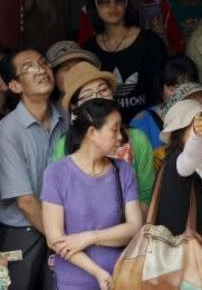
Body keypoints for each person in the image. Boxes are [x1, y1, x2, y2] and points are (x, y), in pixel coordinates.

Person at [42, 98, 143, 289]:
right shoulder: (56, 174)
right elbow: (55, 240)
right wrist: (98, 273)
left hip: (122, 278)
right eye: (114, 129)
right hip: (73, 283)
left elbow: (135, 227)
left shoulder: (124, 171)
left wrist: (89, 237)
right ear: (92, 133)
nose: (120, 136)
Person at [0, 47, 68, 289]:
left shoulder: (67, 119)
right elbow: (25, 202)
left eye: (43, 63)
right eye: (28, 67)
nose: (41, 70)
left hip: (61, 228)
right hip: (21, 231)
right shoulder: (7, 131)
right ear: (15, 86)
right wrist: (61, 240)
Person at [53, 61, 155, 212]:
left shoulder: (137, 139)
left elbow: (146, 195)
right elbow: (61, 202)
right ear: (74, 108)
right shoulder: (64, 145)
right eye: (87, 95)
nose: (98, 98)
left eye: (103, 90)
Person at [83, 0, 168, 122]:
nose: (112, 5)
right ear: (94, 5)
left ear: (127, 2)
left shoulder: (150, 42)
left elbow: (164, 93)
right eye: (103, 0)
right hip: (106, 134)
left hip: (149, 129)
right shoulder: (89, 50)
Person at [78, 0, 185, 54]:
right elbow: (84, 57)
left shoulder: (160, 3)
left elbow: (178, 54)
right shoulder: (92, 9)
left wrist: (163, 42)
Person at [156, 99, 202, 238]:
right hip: (178, 257)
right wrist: (196, 135)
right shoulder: (176, 164)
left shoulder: (195, 174)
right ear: (179, 134)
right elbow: (190, 158)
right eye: (197, 127)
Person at [130, 55, 200, 149]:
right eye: (173, 89)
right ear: (161, 88)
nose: (179, 95)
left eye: (186, 89)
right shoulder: (142, 122)